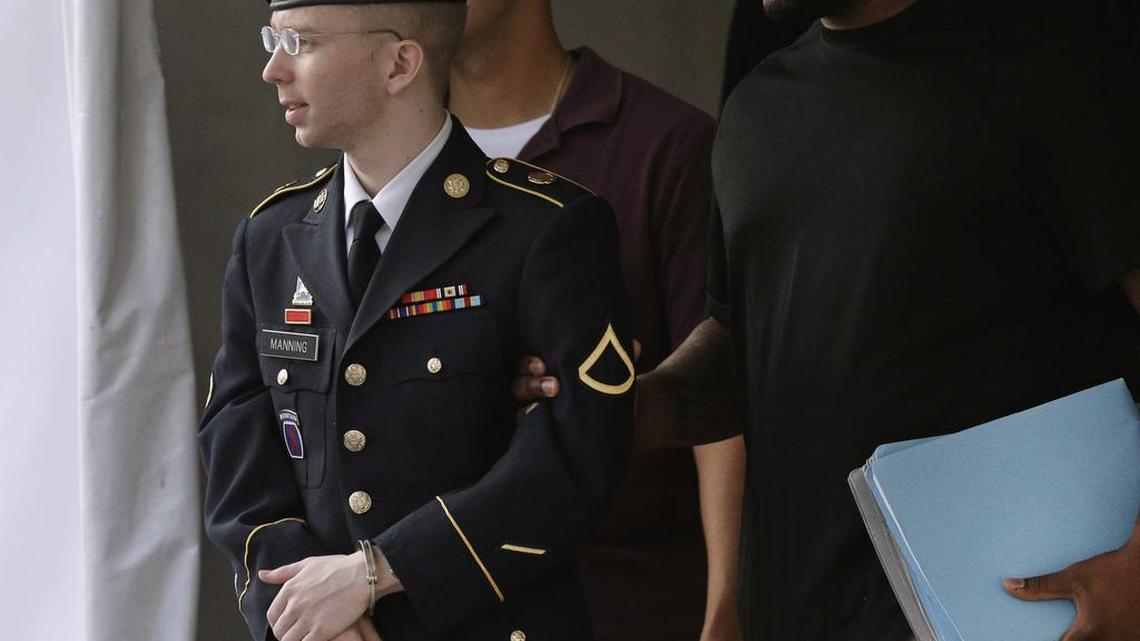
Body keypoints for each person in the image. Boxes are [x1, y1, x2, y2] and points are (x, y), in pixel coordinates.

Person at [515, 0, 1140, 639]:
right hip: (796, 614)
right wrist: (625, 409)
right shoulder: (757, 107)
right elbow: (749, 353)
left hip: (1005, 614)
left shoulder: (1050, 68)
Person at [199, 1, 636, 640]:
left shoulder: (544, 229)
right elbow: (237, 450)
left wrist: (378, 572)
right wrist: (307, 611)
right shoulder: (270, 239)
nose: (272, 69)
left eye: (301, 41)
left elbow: (576, 458)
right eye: (274, 39)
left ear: (401, 62)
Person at [448, 3, 746, 640]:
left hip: (633, 604)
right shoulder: (391, 160)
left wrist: (728, 608)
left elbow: (724, 396)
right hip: (450, 600)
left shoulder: (667, 145)